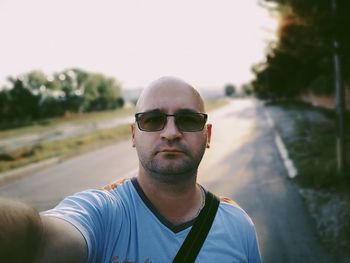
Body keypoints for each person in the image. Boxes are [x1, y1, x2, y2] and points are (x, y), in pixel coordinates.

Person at [0, 76, 262, 262]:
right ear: (133, 134)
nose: (170, 133)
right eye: (152, 119)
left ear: (208, 135)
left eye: (189, 119)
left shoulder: (238, 226)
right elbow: (36, 240)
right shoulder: (102, 213)